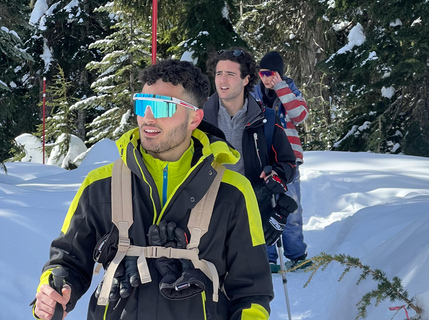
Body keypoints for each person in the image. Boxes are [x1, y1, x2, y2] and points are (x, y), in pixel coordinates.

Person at [32, 59, 274, 320]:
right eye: (142, 103)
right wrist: (55, 288)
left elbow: (252, 292)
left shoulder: (233, 191)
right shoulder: (100, 184)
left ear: (195, 117)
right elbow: (67, 260)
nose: (148, 116)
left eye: (163, 106)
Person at [203, 48, 297, 252]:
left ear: (246, 80)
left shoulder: (266, 119)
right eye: (219, 73)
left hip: (251, 210)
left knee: (251, 280)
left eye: (230, 74)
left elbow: (289, 163)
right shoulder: (199, 120)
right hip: (206, 214)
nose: (222, 80)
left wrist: (277, 174)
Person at [252, 51, 310, 272]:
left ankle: (297, 255)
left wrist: (281, 89)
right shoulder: (255, 94)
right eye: (262, 73)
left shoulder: (291, 92)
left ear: (280, 74)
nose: (266, 78)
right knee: (263, 206)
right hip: (262, 160)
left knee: (291, 209)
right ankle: (267, 257)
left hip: (289, 161)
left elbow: (300, 116)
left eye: (271, 73)